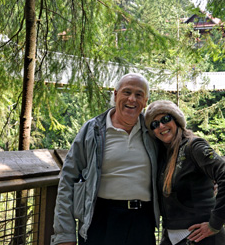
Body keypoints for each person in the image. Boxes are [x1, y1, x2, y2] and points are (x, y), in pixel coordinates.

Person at [51, 73, 159, 245]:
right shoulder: (92, 130)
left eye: (139, 95)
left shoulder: (153, 132)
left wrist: (207, 176)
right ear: (115, 95)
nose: (132, 99)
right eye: (127, 92)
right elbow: (68, 180)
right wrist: (64, 235)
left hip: (142, 223)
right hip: (100, 221)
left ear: (145, 101)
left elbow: (178, 154)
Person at [144, 100, 225, 245]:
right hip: (172, 237)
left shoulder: (194, 146)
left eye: (165, 119)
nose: (161, 126)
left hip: (201, 239)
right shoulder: (163, 155)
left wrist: (214, 224)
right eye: (155, 124)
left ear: (176, 120)